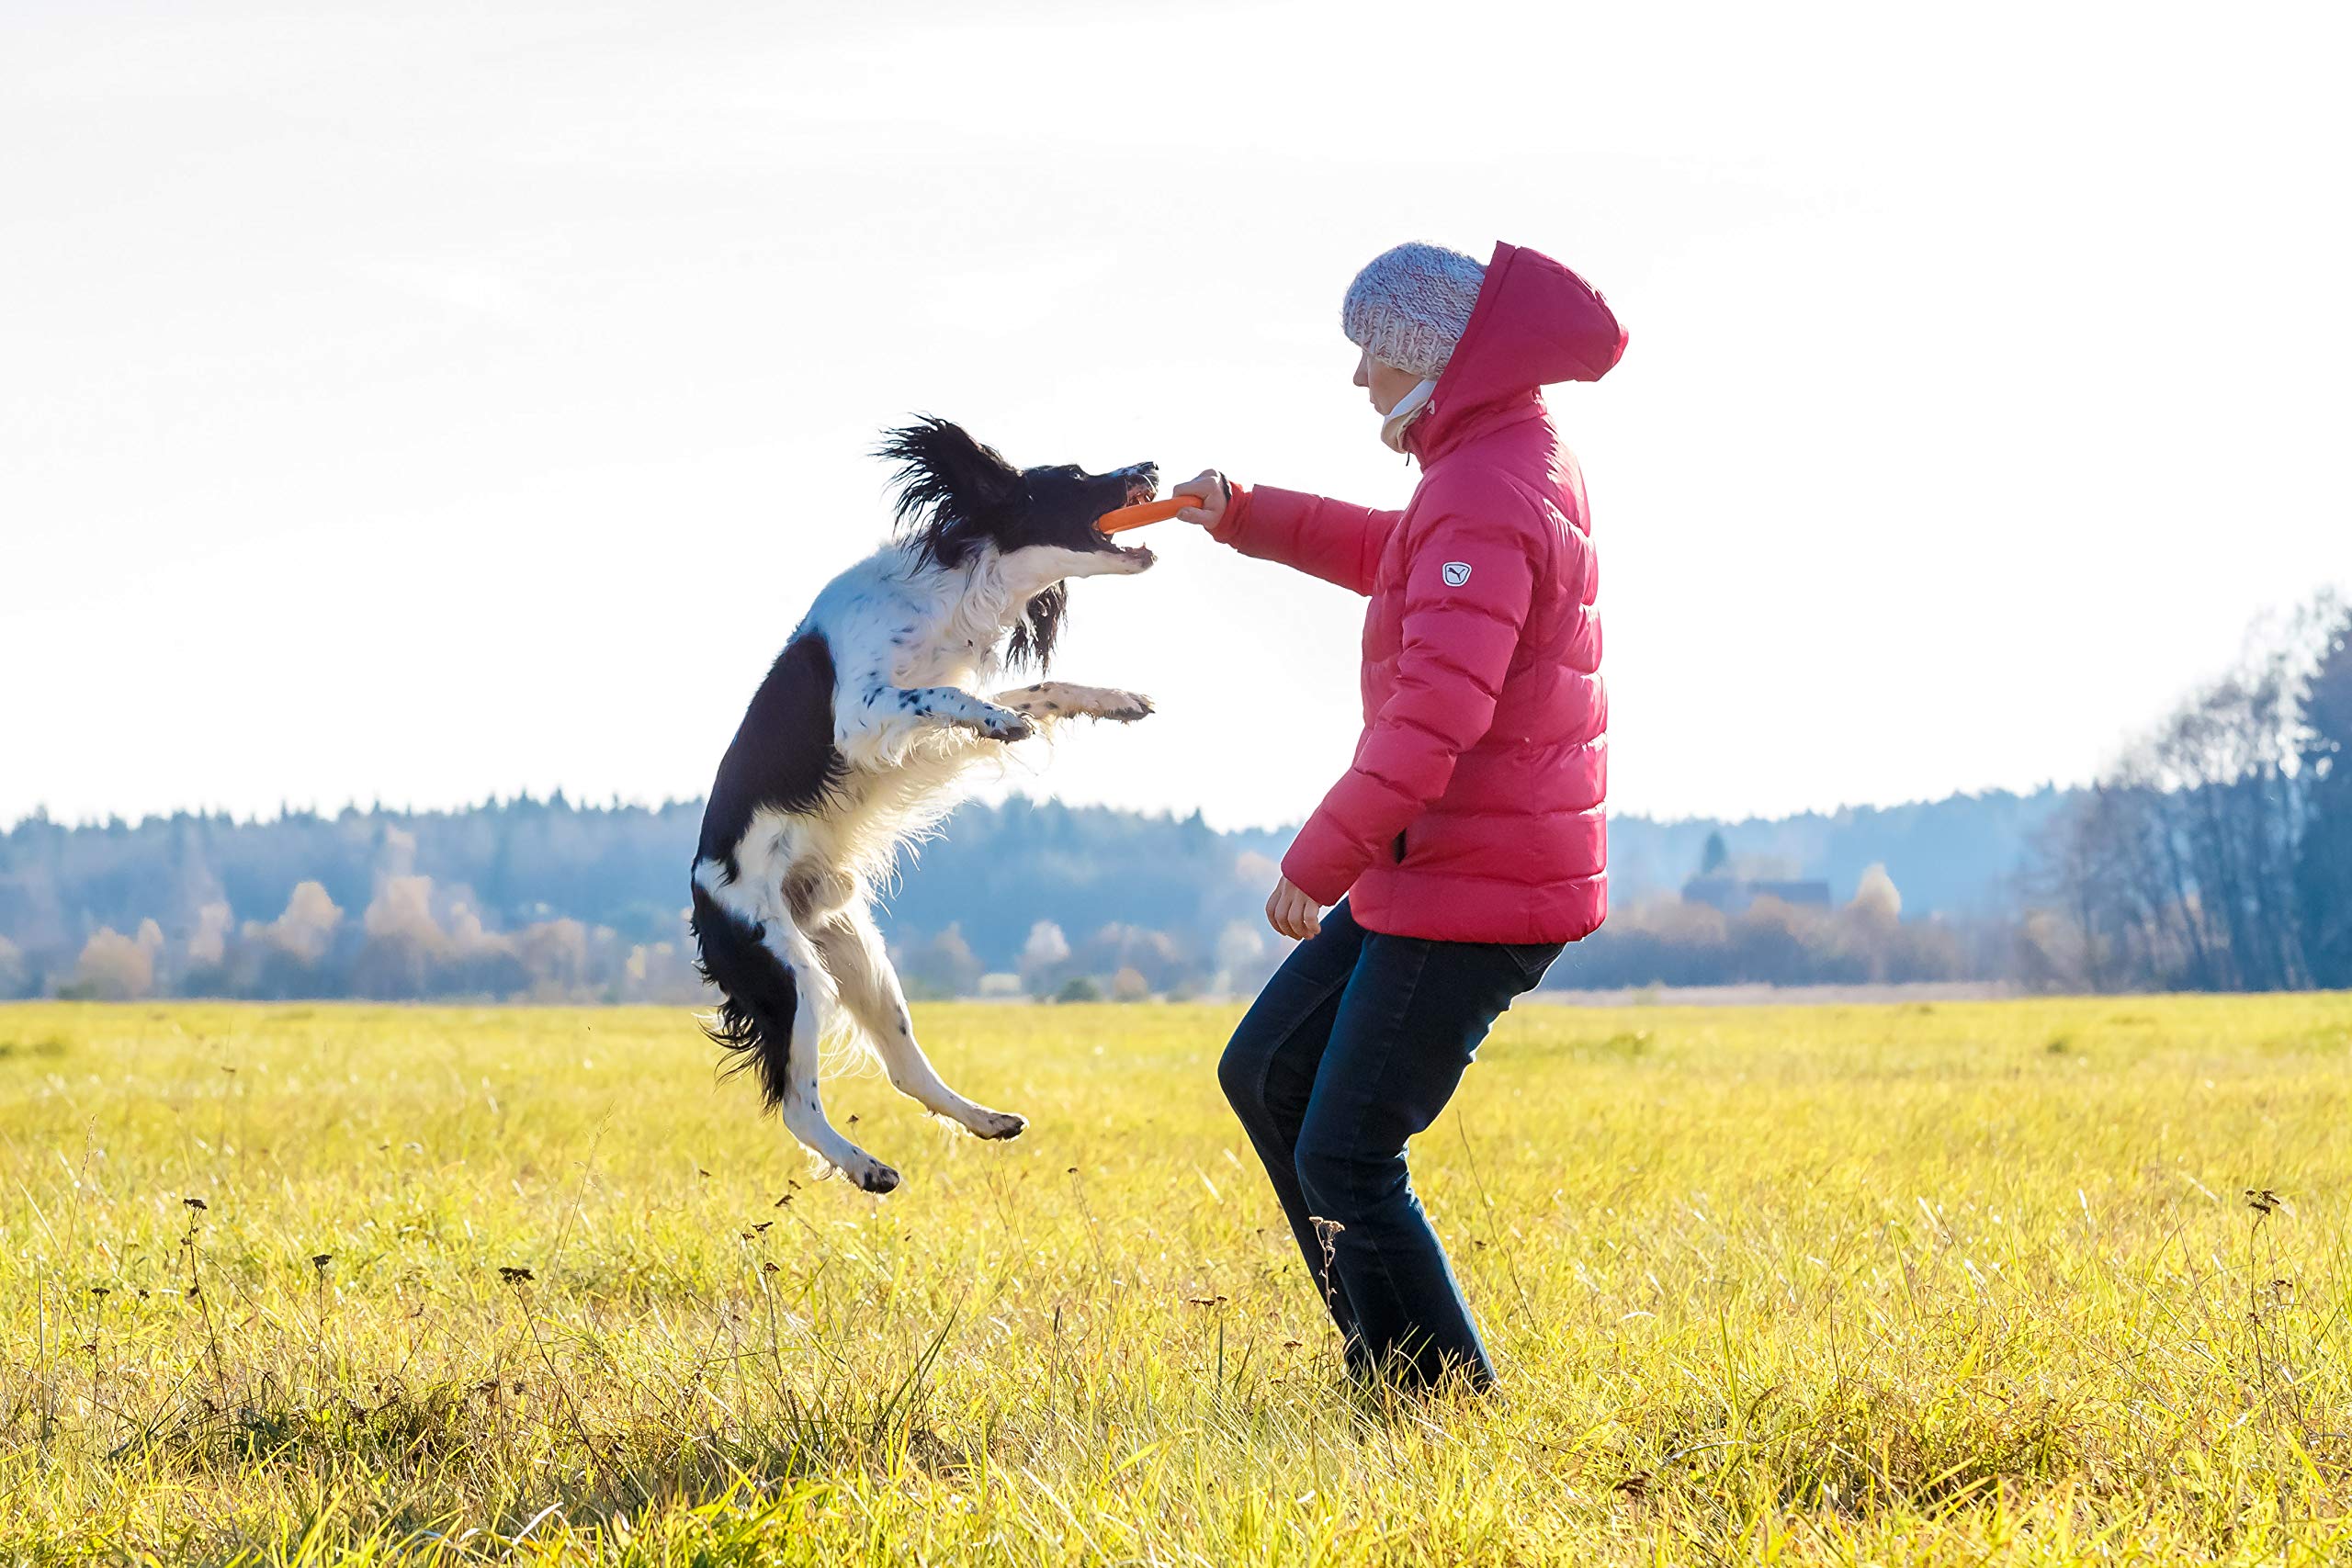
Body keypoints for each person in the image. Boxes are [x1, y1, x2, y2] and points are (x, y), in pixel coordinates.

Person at [1172, 240, 1626, 1390]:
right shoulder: (1488, 462)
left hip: (1474, 883)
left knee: (1347, 1150)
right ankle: (1386, 1367)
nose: (1359, 376)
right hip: (1440, 867)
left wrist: (1321, 859)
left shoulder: (1486, 484)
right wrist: (1245, 513)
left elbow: (1437, 713)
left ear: (1428, 354)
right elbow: (1396, 552)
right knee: (1266, 1071)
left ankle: (1438, 1401)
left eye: (1371, 351)